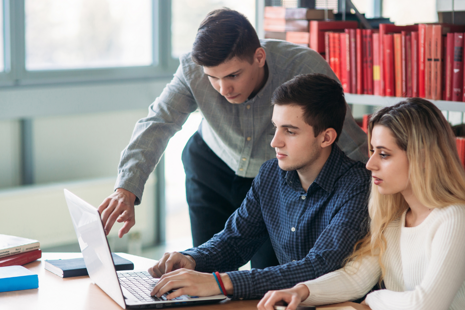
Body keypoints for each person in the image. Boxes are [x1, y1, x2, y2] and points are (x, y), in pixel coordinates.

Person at [97, 8, 368, 269]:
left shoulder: (304, 67)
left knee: (268, 274)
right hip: (211, 167)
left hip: (273, 180)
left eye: (233, 75)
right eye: (212, 78)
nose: (223, 89)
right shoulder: (192, 69)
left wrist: (377, 195)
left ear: (259, 56)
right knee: (202, 264)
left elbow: (345, 137)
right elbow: (158, 122)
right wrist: (126, 188)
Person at [145, 73, 371, 301]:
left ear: (326, 138)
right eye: (276, 128)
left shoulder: (358, 187)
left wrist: (220, 283)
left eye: (290, 131)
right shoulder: (271, 174)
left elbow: (318, 268)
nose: (275, 142)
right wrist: (191, 259)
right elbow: (235, 240)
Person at [258, 98, 465, 310]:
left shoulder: (454, 218)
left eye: (384, 154)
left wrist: (374, 300)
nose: (370, 164)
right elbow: (355, 278)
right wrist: (300, 291)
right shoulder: (394, 218)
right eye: (372, 151)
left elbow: (426, 305)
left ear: (422, 158)